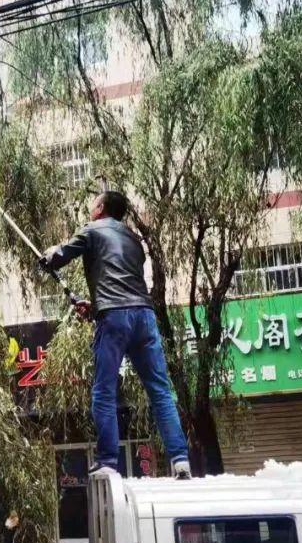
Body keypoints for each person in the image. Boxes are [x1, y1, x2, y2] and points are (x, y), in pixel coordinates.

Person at [40, 190, 192, 480]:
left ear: (100, 208)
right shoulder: (135, 241)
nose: (90, 208)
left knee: (104, 390)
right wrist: (95, 305)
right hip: (144, 317)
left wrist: (48, 256)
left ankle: (108, 461)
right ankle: (180, 459)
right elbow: (122, 280)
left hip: (115, 318)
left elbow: (60, 255)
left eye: (93, 203)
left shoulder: (92, 230)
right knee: (159, 391)